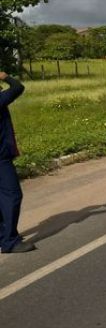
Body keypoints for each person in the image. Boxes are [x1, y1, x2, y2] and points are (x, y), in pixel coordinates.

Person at [0, 71, 35, 254]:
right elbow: (18, 87)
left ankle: (3, 235)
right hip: (1, 159)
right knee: (13, 195)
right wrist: (4, 76)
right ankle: (9, 241)